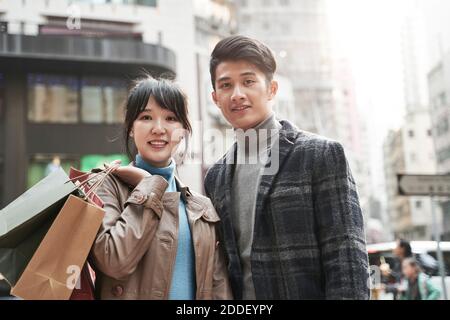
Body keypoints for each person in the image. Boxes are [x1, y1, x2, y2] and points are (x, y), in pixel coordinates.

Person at [204, 35, 369, 300]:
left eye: (248, 81)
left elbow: (347, 260)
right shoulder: (216, 177)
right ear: (215, 97)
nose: (237, 94)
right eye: (226, 85)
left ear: (271, 89)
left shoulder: (321, 155)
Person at [90, 76, 232, 300]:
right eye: (146, 117)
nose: (158, 129)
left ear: (183, 129)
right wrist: (148, 187)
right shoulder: (106, 187)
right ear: (130, 128)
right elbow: (113, 261)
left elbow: (218, 290)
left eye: (170, 118)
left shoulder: (201, 208)